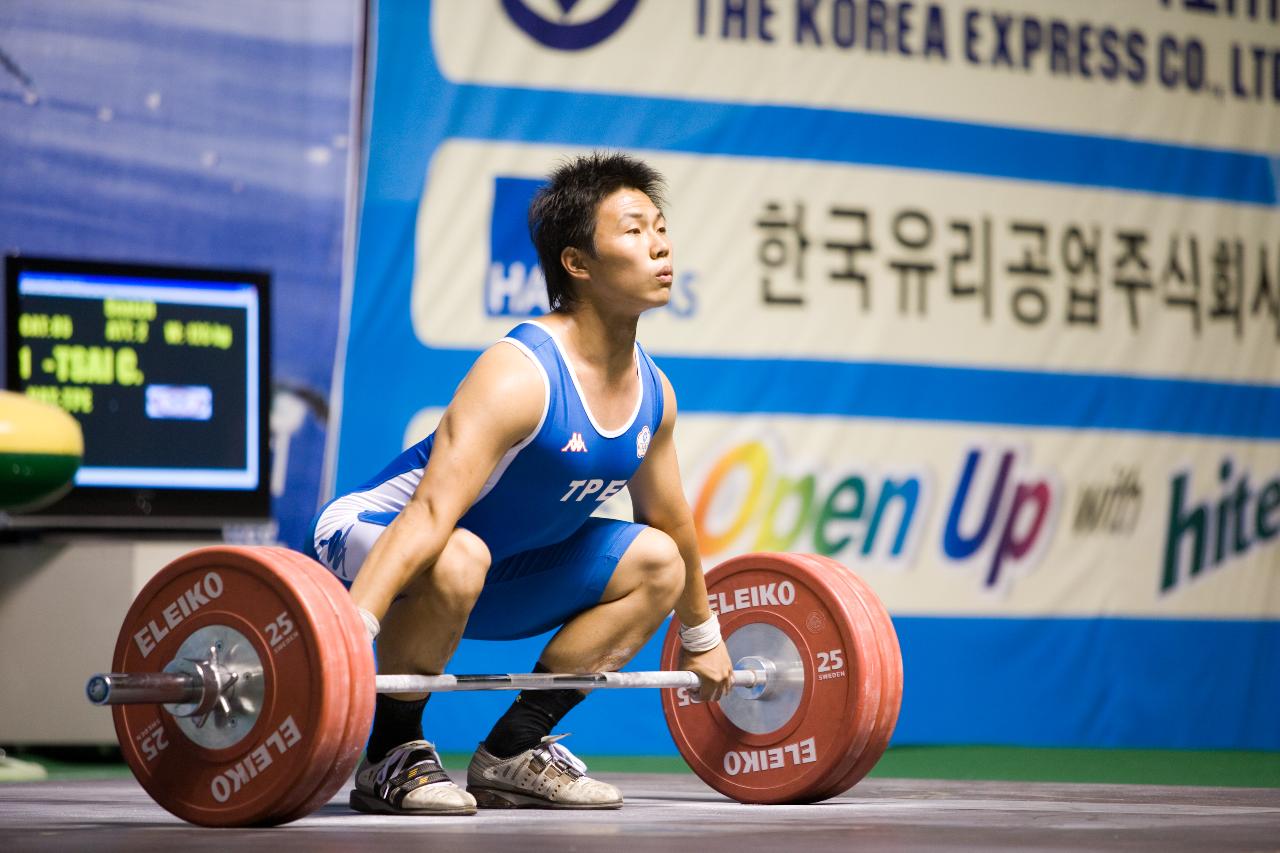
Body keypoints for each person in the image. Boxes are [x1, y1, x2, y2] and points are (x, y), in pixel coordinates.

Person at [307, 152, 734, 816]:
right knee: (460, 551)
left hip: (494, 572)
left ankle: (514, 748)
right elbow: (428, 512)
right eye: (633, 229)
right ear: (578, 263)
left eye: (660, 226)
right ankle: (389, 751)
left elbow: (672, 525)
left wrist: (704, 638)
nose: (659, 243)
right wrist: (347, 632)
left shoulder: (655, 392)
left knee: (658, 563)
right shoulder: (519, 374)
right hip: (374, 541)